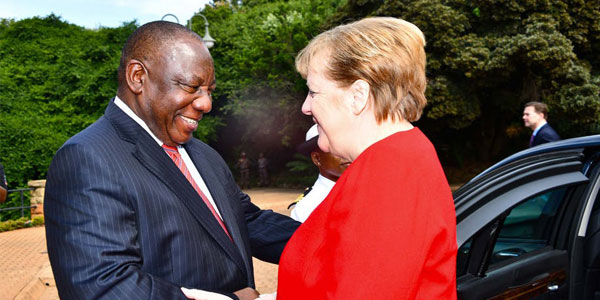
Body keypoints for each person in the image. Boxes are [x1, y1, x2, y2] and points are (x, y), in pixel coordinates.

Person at [44, 21, 299, 300]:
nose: (206, 104)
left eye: (210, 90)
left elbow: (246, 221)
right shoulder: (86, 157)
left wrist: (335, 244)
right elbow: (103, 286)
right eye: (192, 86)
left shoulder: (203, 154)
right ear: (138, 77)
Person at [276, 17, 457, 299]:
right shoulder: (395, 159)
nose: (305, 107)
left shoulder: (388, 175)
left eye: (313, 92)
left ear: (358, 96)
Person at [290, 124, 348, 222]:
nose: (346, 153)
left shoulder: (370, 187)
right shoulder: (308, 208)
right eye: (335, 148)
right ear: (317, 159)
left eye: (349, 145)